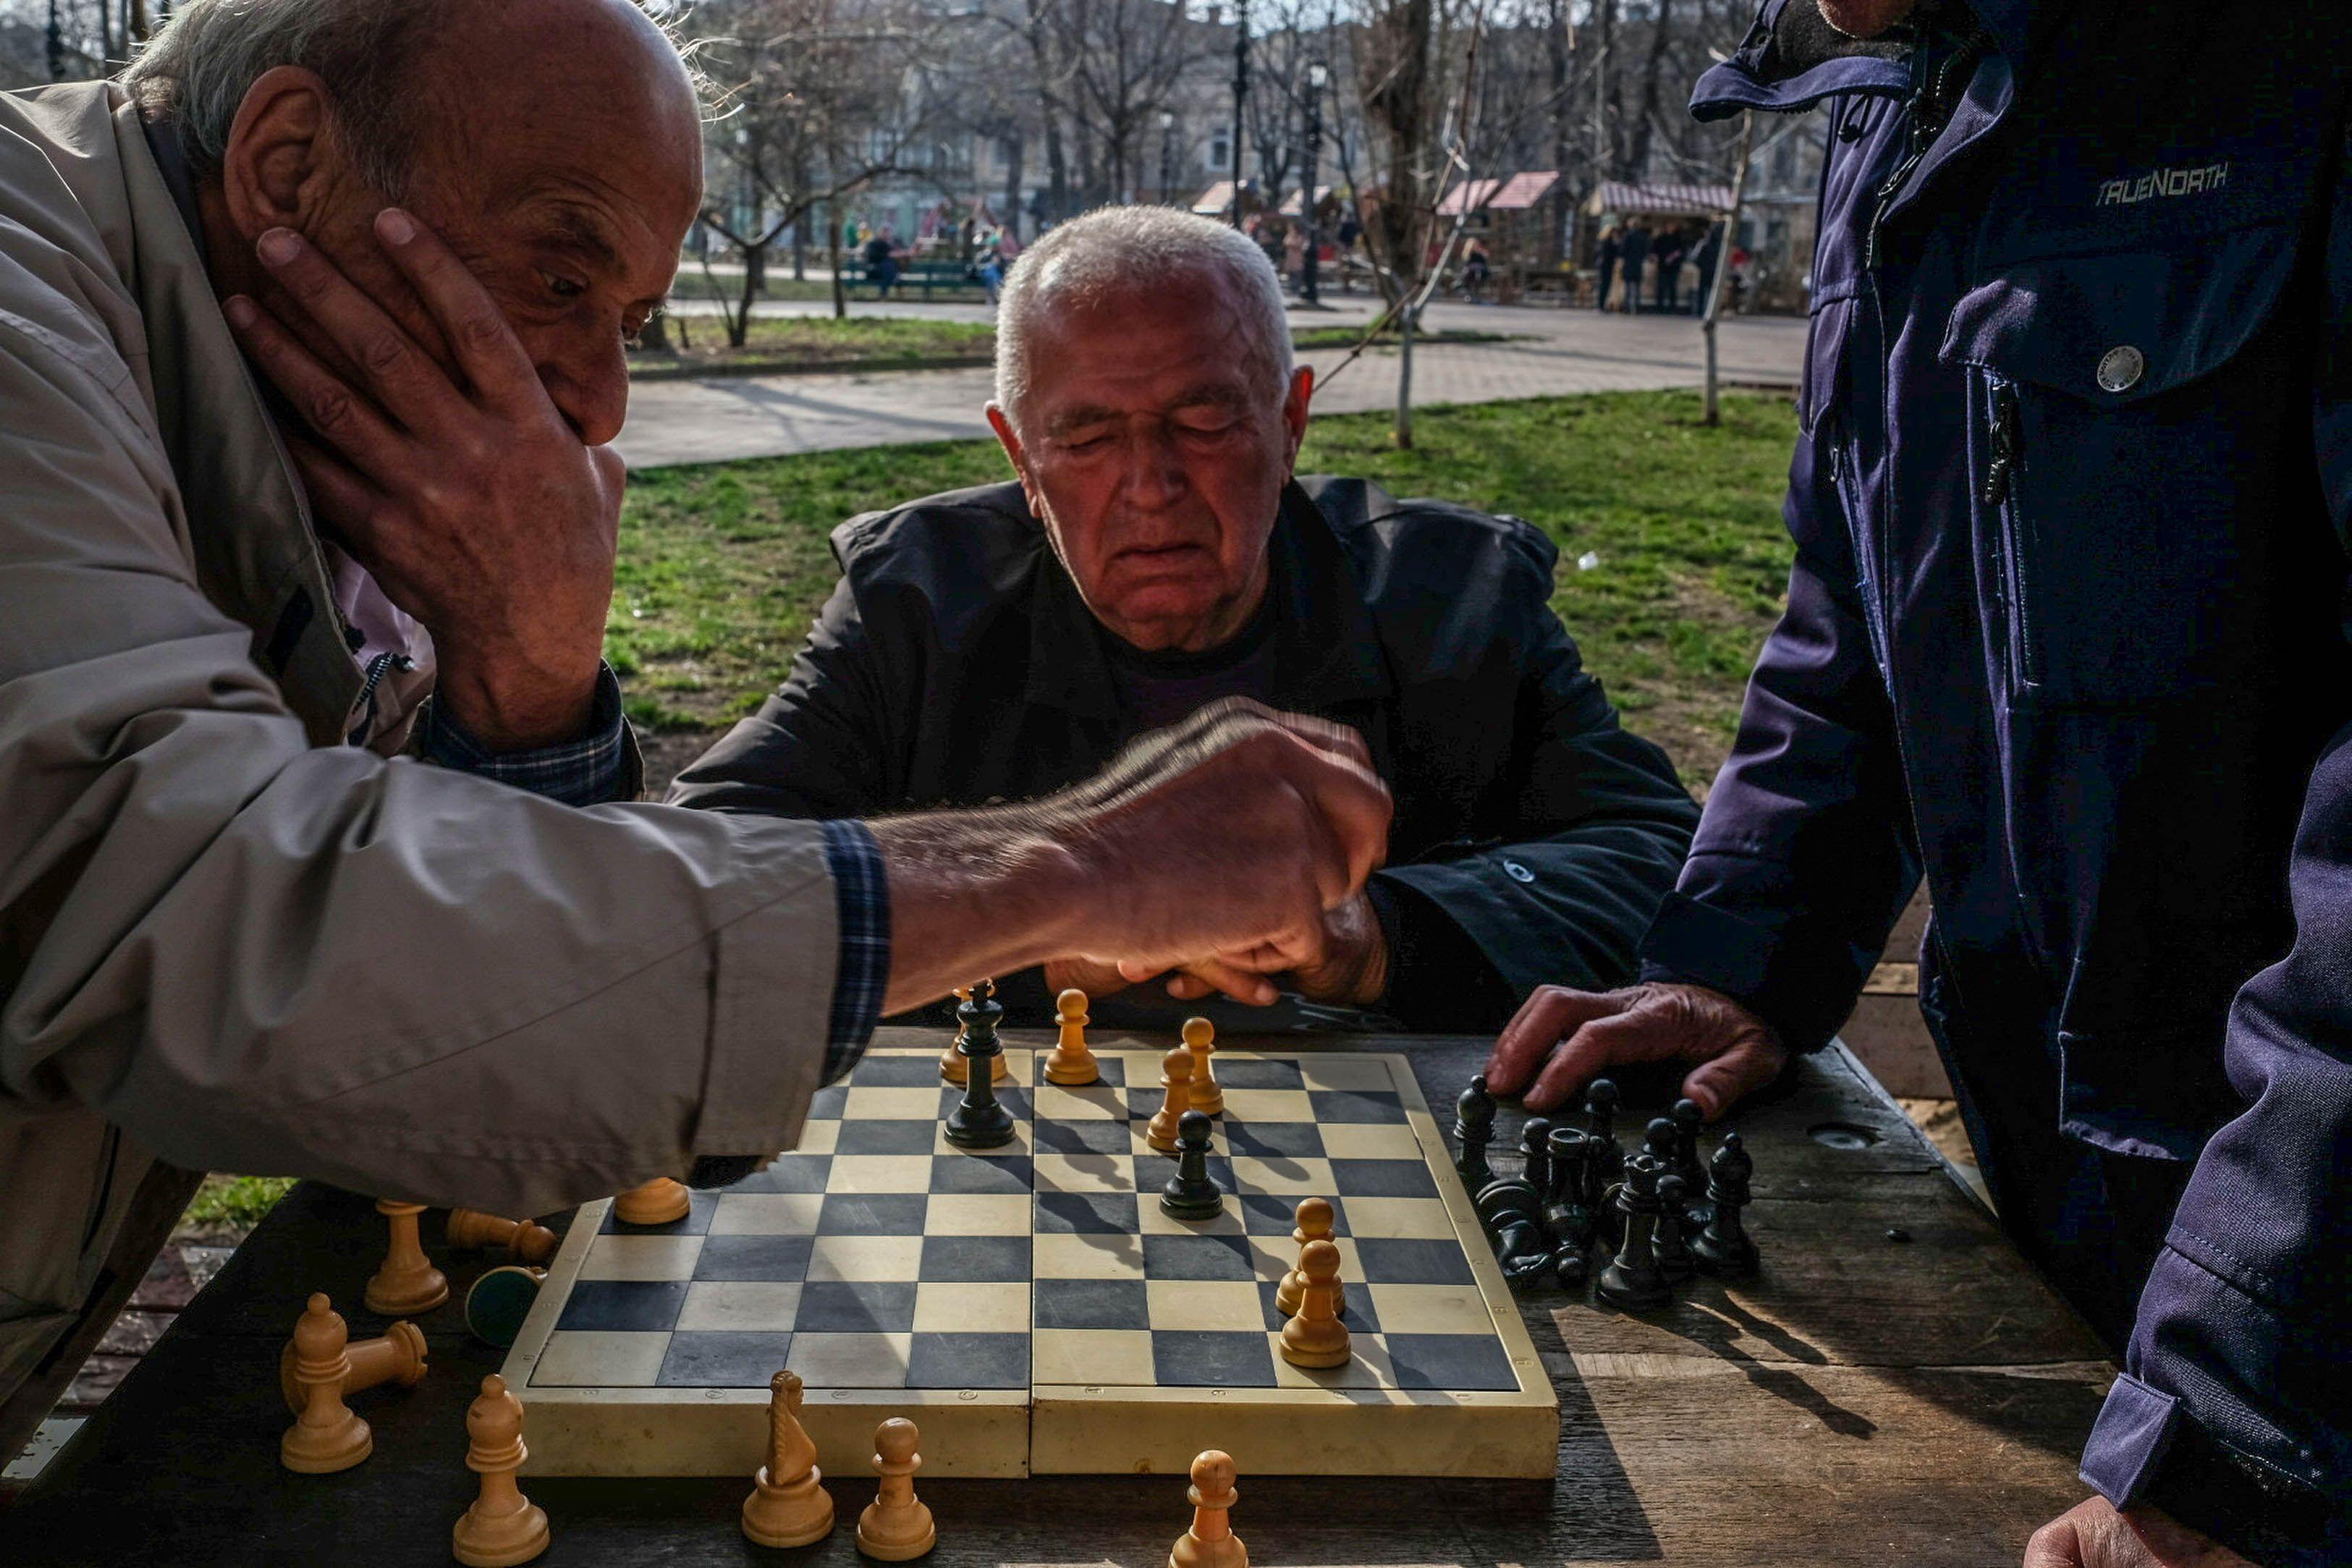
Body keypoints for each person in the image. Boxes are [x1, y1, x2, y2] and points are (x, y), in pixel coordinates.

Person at [0, 0, 1393, 1467]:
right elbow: (206, 926)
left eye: (633, 323)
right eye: (556, 274)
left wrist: (529, 684)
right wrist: (1073, 871)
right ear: (288, 170)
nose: (600, 404)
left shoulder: (241, 402)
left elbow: (476, 1033)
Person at [1484, 1, 2351, 1564]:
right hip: (2079, 1210)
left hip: (2299, 1273)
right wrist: (1742, 951)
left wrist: (2240, 1412)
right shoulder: (1892, 99)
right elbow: (1863, 602)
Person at [669, 205, 1701, 1033]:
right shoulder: (915, 601)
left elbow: (1658, 856)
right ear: (1018, 459)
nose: (1149, 485)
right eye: (1084, 437)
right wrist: (1040, 924)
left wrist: (1369, 933)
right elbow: (699, 879)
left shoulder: (1453, 597)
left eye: (1203, 422)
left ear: (1290, 422)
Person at [1689, 219, 1723, 317]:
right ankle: (1709, 311)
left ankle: (1701, 311)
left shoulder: (1704, 244)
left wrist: (1702, 266)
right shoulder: (1719, 245)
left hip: (1706, 271)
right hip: (1713, 271)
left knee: (1703, 292)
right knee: (1711, 292)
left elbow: (1695, 258)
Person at [1617, 220, 1651, 313]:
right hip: (1638, 264)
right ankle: (1637, 307)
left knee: (1628, 288)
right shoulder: (1643, 236)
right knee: (1637, 288)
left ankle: (1627, 308)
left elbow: (1622, 250)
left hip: (1629, 264)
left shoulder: (1628, 236)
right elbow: (1646, 250)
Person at [1651, 226, 1686, 313]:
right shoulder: (1661, 239)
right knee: (1661, 287)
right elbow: (1654, 251)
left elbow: (1682, 252)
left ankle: (1672, 307)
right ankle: (1660, 307)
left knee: (1672, 287)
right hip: (1662, 267)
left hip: (1674, 268)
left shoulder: (1678, 239)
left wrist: (1674, 257)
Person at [1594, 223, 1623, 312]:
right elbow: (1615, 253)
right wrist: (1617, 244)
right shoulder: (1608, 242)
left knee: (1604, 286)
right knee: (1604, 286)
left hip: (1605, 266)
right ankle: (1601, 305)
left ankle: (1601, 305)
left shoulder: (1602, 241)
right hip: (1606, 266)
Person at [863, 225, 898, 298]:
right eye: (884, 233)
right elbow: (872, 257)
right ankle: (884, 293)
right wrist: (886, 256)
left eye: (887, 233)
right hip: (872, 270)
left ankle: (883, 293)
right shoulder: (872, 244)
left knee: (888, 265)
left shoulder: (888, 245)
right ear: (879, 233)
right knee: (887, 265)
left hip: (884, 272)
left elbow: (895, 254)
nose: (886, 235)